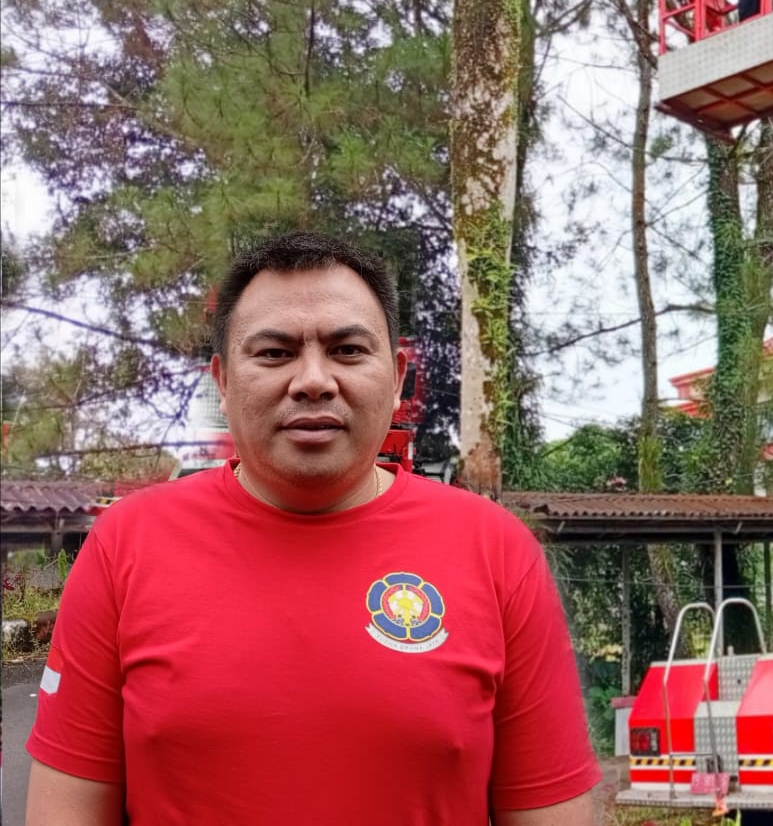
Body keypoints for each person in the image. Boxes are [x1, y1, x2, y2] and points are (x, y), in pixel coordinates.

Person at [26, 232, 600, 826]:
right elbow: (65, 810)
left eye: (348, 350)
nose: (313, 380)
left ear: (397, 376)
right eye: (274, 353)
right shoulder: (127, 544)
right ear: (222, 381)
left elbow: (547, 808)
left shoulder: (496, 551)